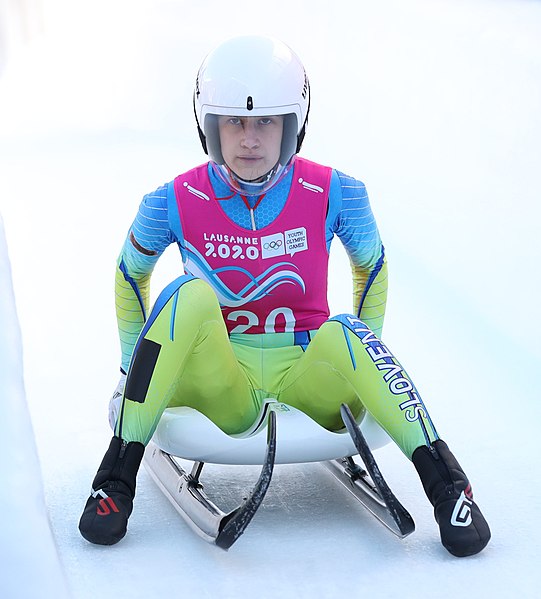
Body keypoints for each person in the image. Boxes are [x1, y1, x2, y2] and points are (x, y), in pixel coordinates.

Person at [78, 35, 491, 557]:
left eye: (266, 122)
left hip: (308, 379)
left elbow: (373, 266)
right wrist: (129, 370)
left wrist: (363, 365)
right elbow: (128, 274)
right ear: (210, 126)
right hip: (219, 386)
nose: (249, 139)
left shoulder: (339, 190)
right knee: (188, 295)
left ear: (293, 124)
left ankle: (448, 486)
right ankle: (114, 479)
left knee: (345, 329)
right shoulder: (171, 201)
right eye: (235, 122)